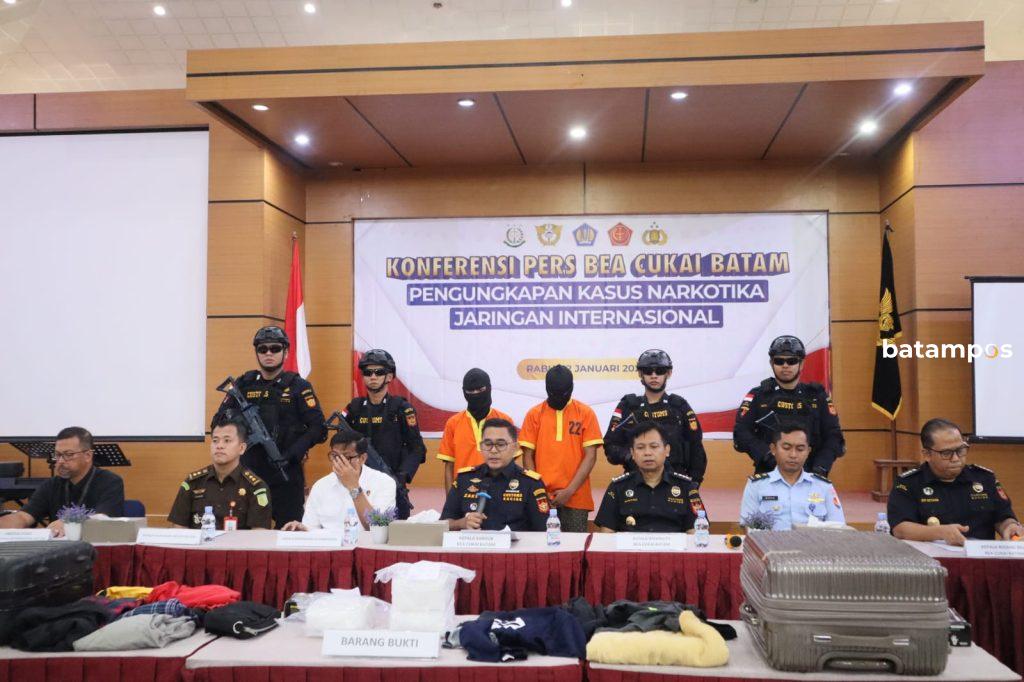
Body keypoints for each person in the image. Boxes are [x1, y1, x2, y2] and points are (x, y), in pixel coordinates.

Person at [215, 325, 326, 527]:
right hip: (248, 474)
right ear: (256, 352)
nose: (268, 353)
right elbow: (217, 421)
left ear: (286, 352)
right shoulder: (244, 384)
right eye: (262, 349)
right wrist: (242, 421)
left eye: (275, 348)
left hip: (286, 474)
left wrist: (292, 454)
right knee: (244, 534)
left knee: (289, 533)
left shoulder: (298, 386)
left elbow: (318, 428)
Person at [888, 418, 1021, 546]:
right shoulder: (908, 483)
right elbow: (900, 529)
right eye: (946, 453)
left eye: (960, 450)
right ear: (927, 454)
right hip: (932, 558)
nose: (956, 458)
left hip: (981, 556)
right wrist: (940, 532)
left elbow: (1003, 516)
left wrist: (1010, 527)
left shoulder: (984, 478)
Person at [733, 335, 845, 476]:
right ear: (771, 363)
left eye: (791, 361)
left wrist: (820, 467)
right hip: (769, 473)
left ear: (801, 364)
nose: (785, 366)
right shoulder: (759, 396)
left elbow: (834, 437)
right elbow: (741, 433)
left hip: (812, 475)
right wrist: (768, 457)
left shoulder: (818, 396)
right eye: (779, 361)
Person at [343, 348, 426, 519]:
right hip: (359, 483)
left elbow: (417, 448)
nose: (373, 377)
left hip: (392, 481)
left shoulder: (402, 409)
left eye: (379, 372)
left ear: (389, 376)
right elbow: (341, 444)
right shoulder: (355, 408)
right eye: (368, 372)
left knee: (395, 530)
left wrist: (403, 475)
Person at [603, 349, 707, 484]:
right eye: (648, 371)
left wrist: (693, 483)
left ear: (668, 373)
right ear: (640, 374)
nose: (654, 375)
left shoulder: (679, 406)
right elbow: (610, 445)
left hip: (675, 483)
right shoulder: (628, 406)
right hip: (636, 482)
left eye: (660, 370)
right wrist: (631, 456)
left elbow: (696, 448)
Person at [519, 365, 602, 532]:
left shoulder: (585, 413)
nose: (558, 398)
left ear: (571, 388)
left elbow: (591, 456)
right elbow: (527, 456)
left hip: (576, 497)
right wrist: (539, 491)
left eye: (563, 393)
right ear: (547, 389)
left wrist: (569, 491)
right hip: (541, 498)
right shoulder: (534, 414)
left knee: (575, 546)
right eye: (553, 393)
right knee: (541, 545)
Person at [0, 426, 124, 537]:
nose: (60, 461)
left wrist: (68, 522)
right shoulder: (51, 485)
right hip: (59, 550)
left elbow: (103, 518)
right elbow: (24, 517)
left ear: (88, 456)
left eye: (68, 454)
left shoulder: (110, 482)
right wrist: (6, 523)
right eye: (58, 455)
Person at [594, 421, 706, 533]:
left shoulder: (686, 487)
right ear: (632, 453)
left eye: (654, 446)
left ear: (667, 450)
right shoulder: (617, 488)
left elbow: (697, 532)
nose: (647, 453)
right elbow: (606, 534)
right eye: (640, 447)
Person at [441, 418, 551, 532]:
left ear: (515, 448)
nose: (493, 450)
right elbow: (444, 523)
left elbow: (544, 531)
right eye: (488, 444)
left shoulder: (531, 484)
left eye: (501, 444)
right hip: (474, 543)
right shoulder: (464, 479)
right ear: (481, 446)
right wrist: (461, 523)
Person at [167, 413, 272, 530]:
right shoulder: (193, 483)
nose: (219, 446)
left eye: (227, 440)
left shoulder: (256, 488)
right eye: (215, 440)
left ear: (242, 448)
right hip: (201, 542)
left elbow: (259, 534)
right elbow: (179, 528)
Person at [282, 427, 397, 532]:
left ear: (362, 458)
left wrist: (353, 487)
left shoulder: (384, 482)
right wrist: (301, 530)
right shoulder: (321, 486)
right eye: (335, 456)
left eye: (347, 457)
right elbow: (311, 528)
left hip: (365, 546)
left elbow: (378, 528)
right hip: (329, 546)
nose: (339, 462)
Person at [739, 422, 845, 530]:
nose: (793, 455)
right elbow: (748, 527)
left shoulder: (823, 486)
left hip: (812, 541)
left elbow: (838, 527)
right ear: (773, 449)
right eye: (786, 448)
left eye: (800, 449)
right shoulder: (756, 486)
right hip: (770, 541)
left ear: (808, 451)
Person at [437, 368, 513, 491]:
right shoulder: (453, 423)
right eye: (470, 391)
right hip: (462, 492)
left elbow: (511, 463)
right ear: (464, 392)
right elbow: (449, 467)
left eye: (480, 390)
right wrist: (450, 500)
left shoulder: (505, 421)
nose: (476, 394)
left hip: (498, 492)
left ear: (489, 388)